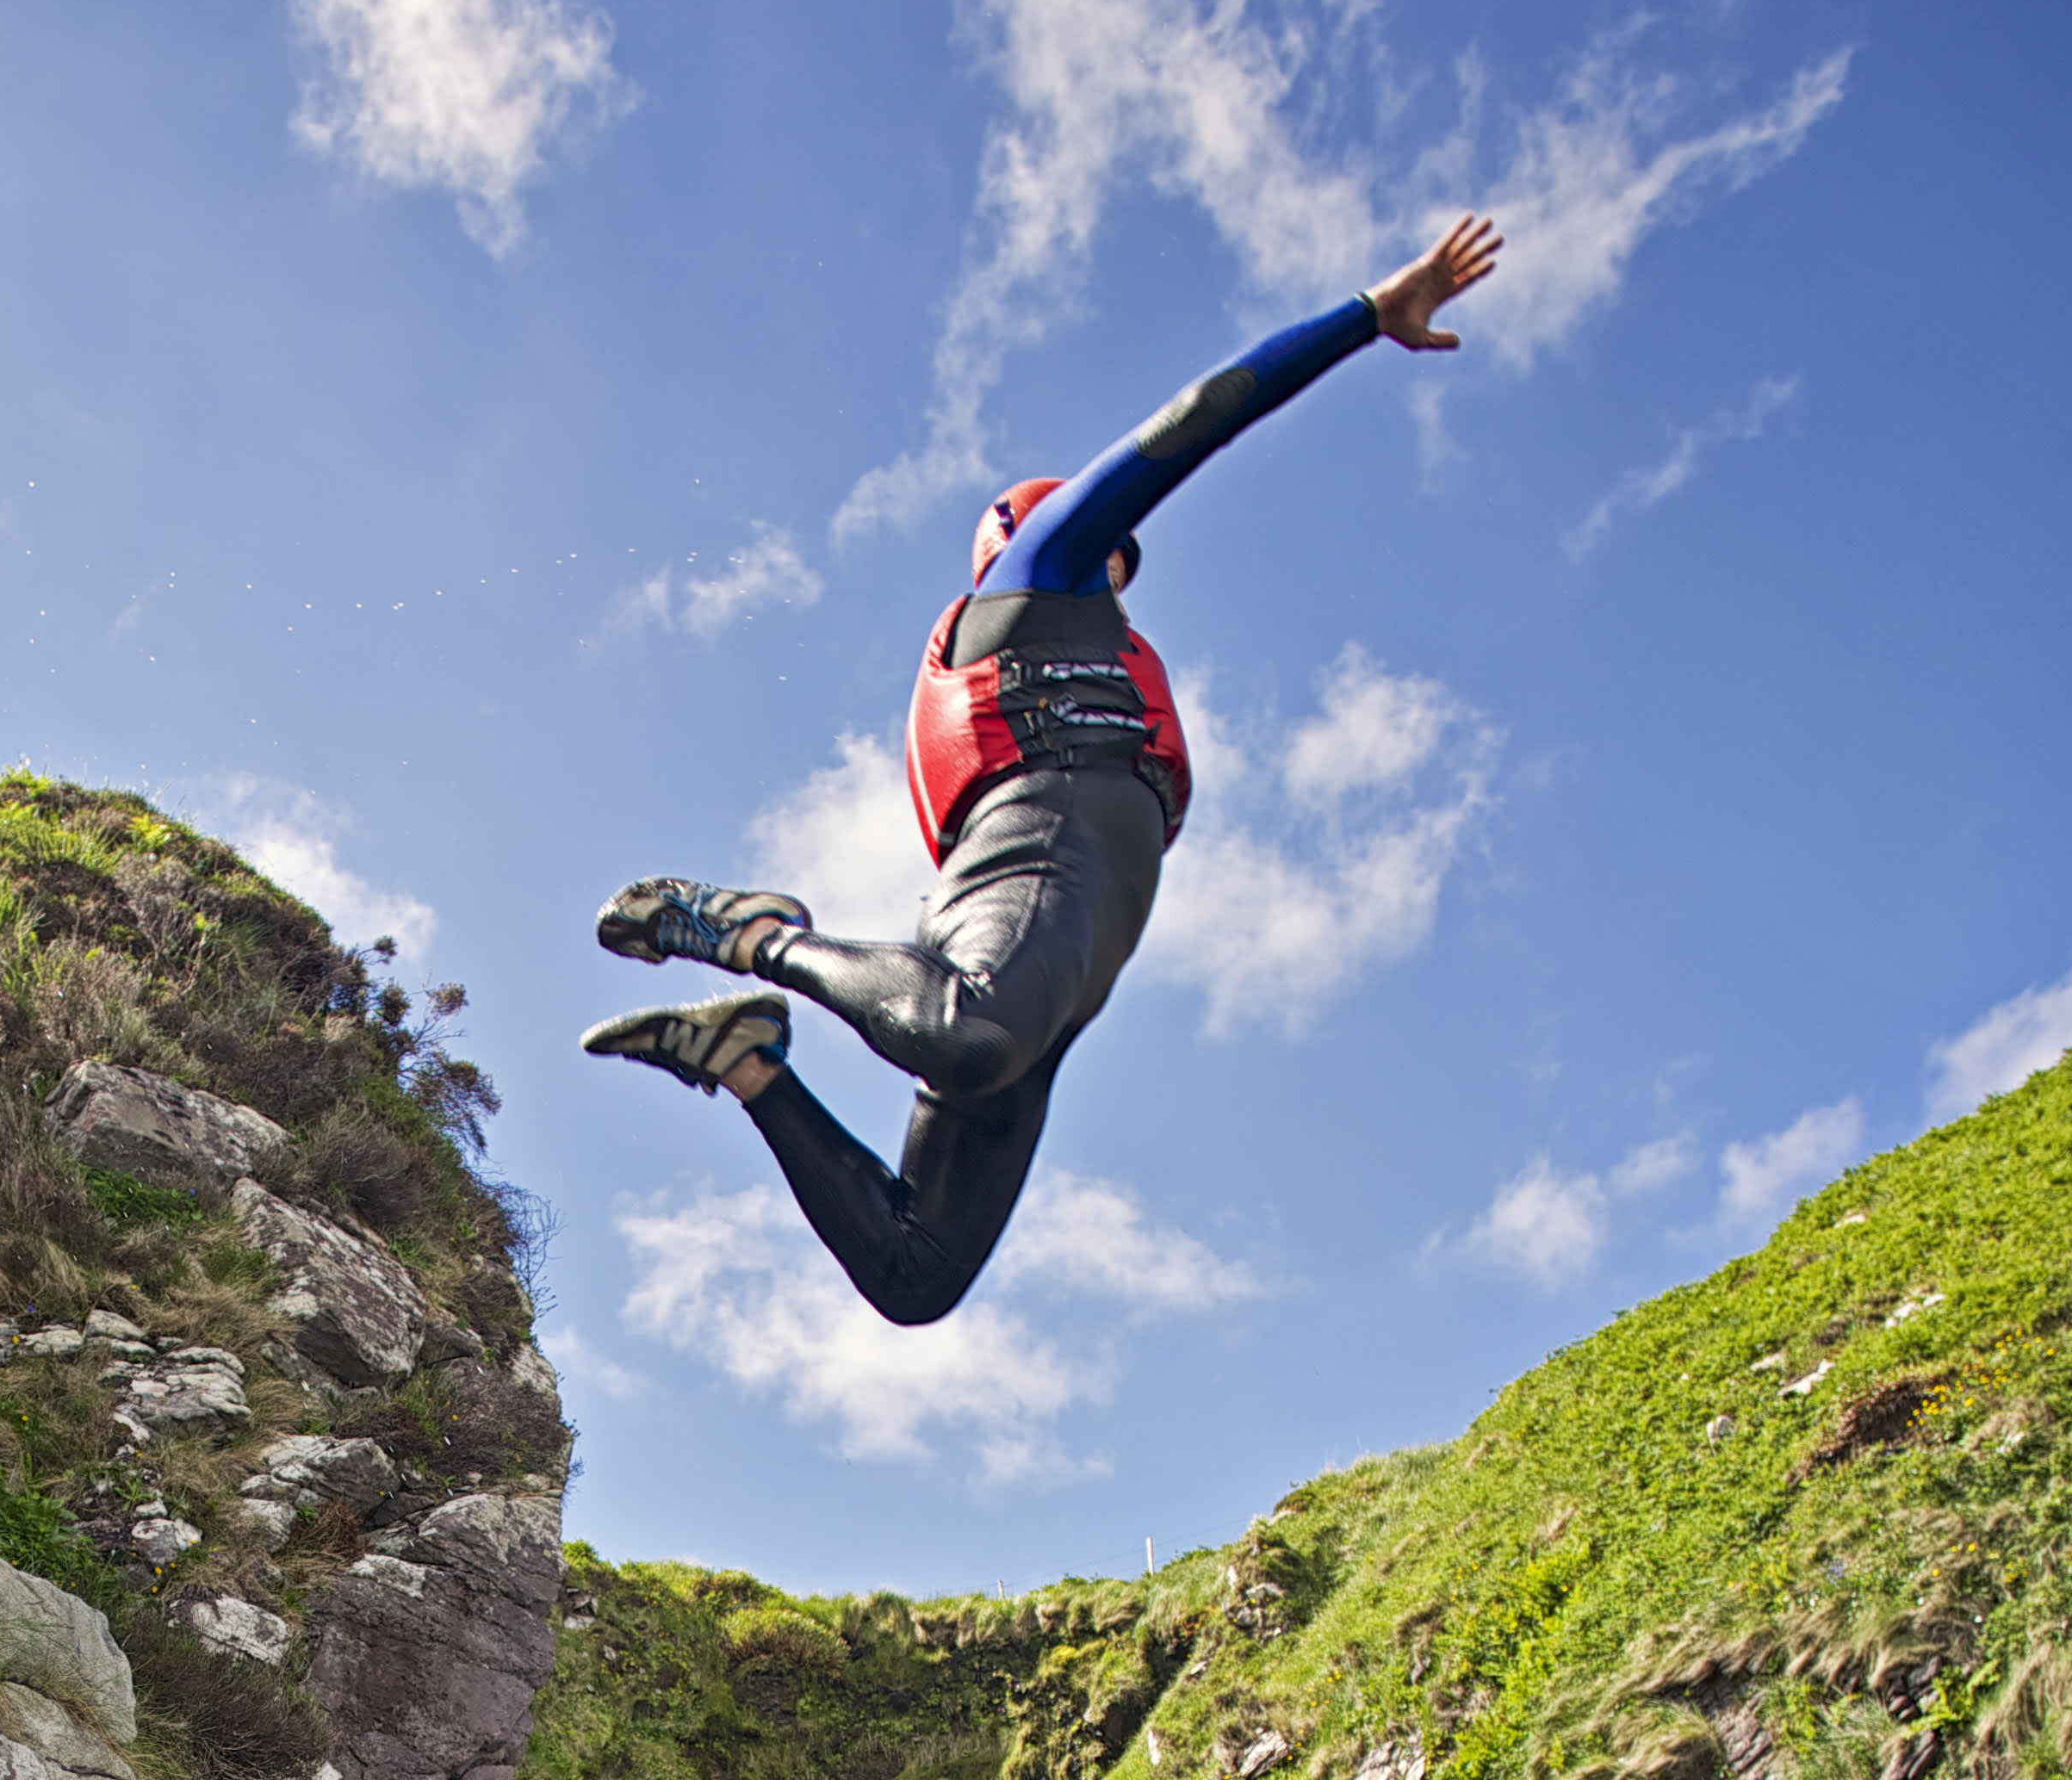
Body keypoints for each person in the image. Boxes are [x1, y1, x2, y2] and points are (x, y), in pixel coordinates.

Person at [584, 213, 1504, 1328]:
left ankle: (746, 1064)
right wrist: (1368, 315)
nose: (1124, 562)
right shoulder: (1036, 570)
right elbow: (1199, 420)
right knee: (969, 1040)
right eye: (1113, 543)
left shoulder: (1082, 626)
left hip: (1060, 942)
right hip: (1038, 865)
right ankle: (747, 930)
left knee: (916, 1274)